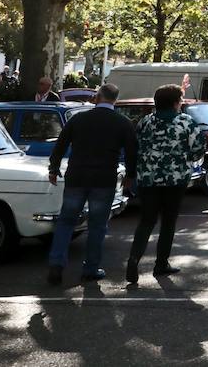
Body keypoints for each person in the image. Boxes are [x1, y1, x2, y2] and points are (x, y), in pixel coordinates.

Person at [46, 83, 137, 284]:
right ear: (115, 99)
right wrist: (130, 176)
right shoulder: (123, 123)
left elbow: (60, 145)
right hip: (104, 179)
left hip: (77, 175)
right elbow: (132, 152)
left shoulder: (79, 119)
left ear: (97, 97)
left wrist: (53, 168)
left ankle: (56, 264)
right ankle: (91, 268)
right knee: (97, 225)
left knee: (66, 221)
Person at [126, 84, 205, 282]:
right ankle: (161, 263)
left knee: (146, 220)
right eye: (180, 100)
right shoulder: (186, 122)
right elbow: (198, 148)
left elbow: (137, 145)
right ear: (175, 103)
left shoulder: (145, 122)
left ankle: (134, 259)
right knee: (168, 222)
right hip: (175, 180)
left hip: (148, 179)